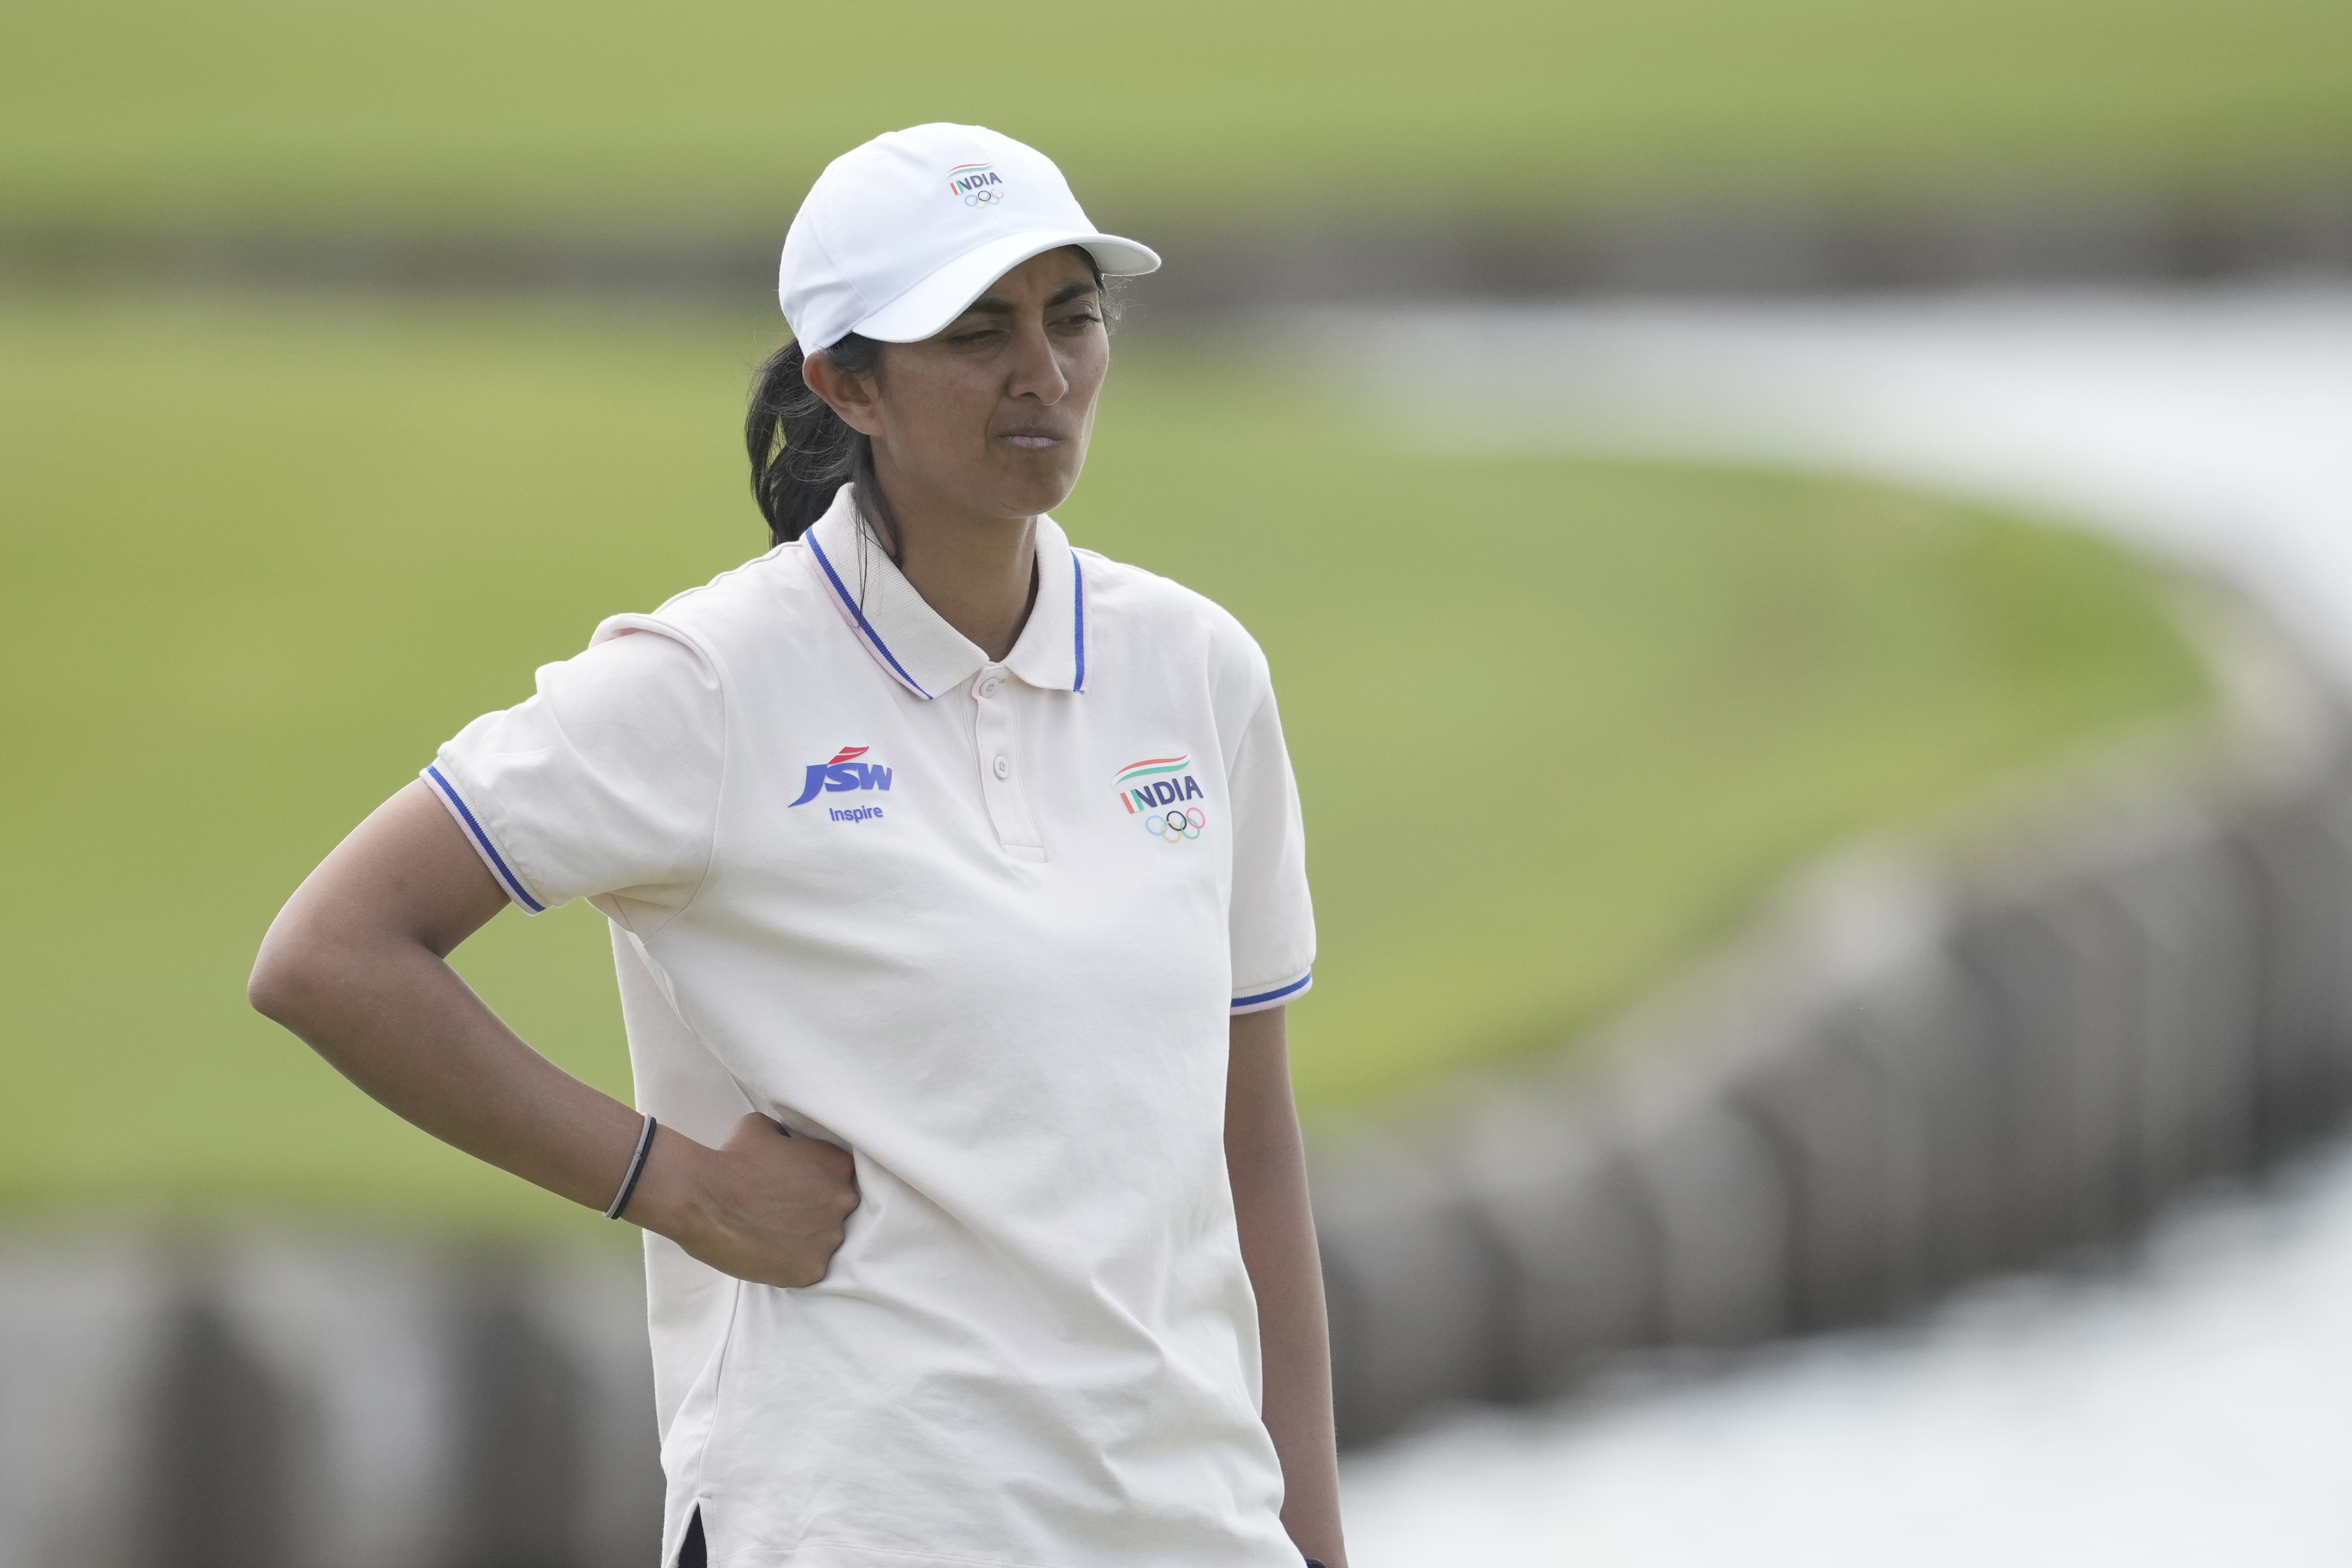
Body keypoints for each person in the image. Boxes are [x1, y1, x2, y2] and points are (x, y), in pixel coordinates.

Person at [248, 123, 1346, 1568]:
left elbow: (1248, 1146)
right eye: (975, 331)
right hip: (859, 1523)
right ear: (846, 382)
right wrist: (678, 1186)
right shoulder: (710, 679)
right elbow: (331, 954)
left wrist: (1316, 1541)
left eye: (1071, 315)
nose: (1043, 371)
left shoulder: (1196, 670)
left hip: (1190, 1528)